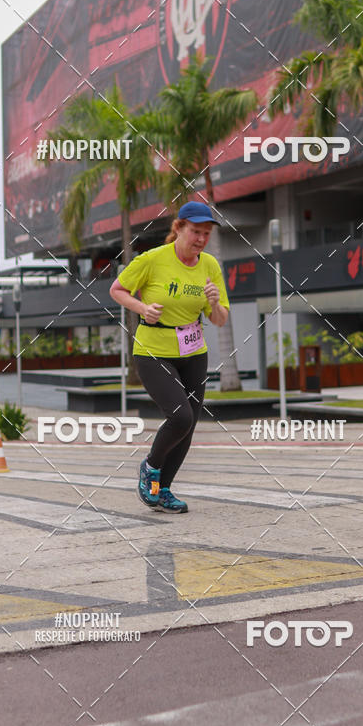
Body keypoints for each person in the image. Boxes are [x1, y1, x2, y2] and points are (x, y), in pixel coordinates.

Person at [109, 201, 230, 513]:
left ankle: (162, 490)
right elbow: (117, 289)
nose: (201, 239)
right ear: (179, 228)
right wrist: (142, 309)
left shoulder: (210, 266)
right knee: (180, 417)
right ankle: (150, 467)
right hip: (154, 351)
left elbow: (220, 319)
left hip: (193, 352)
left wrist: (214, 303)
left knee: (189, 426)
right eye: (195, 231)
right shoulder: (152, 259)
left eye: (206, 233)